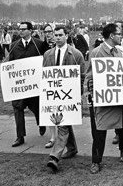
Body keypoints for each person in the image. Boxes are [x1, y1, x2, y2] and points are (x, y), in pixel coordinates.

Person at [85, 23, 123, 174]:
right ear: (112, 36)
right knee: (99, 130)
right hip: (102, 99)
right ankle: (96, 161)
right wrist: (89, 94)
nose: (121, 36)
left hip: (118, 97)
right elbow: (89, 75)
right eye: (119, 34)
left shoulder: (119, 52)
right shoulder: (97, 52)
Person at [45, 26, 86, 172]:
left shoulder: (76, 54)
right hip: (54, 96)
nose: (57, 38)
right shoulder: (47, 54)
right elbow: (45, 76)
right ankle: (72, 148)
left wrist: (77, 94)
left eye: (60, 35)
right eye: (55, 35)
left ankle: (54, 157)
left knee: (62, 124)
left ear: (67, 36)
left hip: (70, 96)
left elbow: (82, 76)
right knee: (64, 123)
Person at [8, 22, 46, 147]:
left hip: (35, 85)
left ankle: (41, 123)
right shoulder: (13, 46)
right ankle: (20, 136)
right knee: (18, 108)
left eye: (24, 29)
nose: (21, 31)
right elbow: (11, 65)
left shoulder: (39, 44)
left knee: (35, 107)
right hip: (20, 86)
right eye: (20, 29)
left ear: (30, 30)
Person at [41, 24, 58, 149]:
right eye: (45, 32)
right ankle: (52, 136)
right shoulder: (42, 46)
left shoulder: (60, 44)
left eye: (50, 31)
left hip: (61, 79)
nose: (48, 34)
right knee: (50, 109)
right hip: (48, 81)